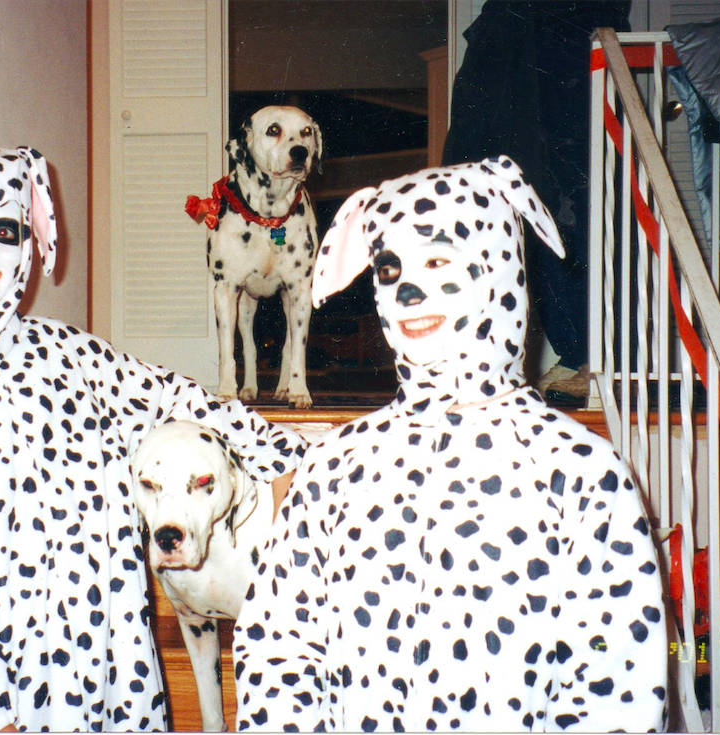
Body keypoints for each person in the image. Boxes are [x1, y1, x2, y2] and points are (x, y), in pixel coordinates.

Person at [0, 140, 305, 731]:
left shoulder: (66, 353)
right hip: (6, 684)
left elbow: (182, 404)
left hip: (113, 661)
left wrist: (291, 462)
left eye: (6, 231)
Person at [233, 158, 667, 732]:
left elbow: (616, 685)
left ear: (498, 270)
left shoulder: (579, 471)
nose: (410, 290)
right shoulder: (334, 468)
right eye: (390, 270)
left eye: (439, 260)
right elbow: (278, 648)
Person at [443, 1, 633, 398]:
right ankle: (577, 350)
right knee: (520, 215)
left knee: (575, 210)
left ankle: (598, 356)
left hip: (568, 42)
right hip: (516, 40)